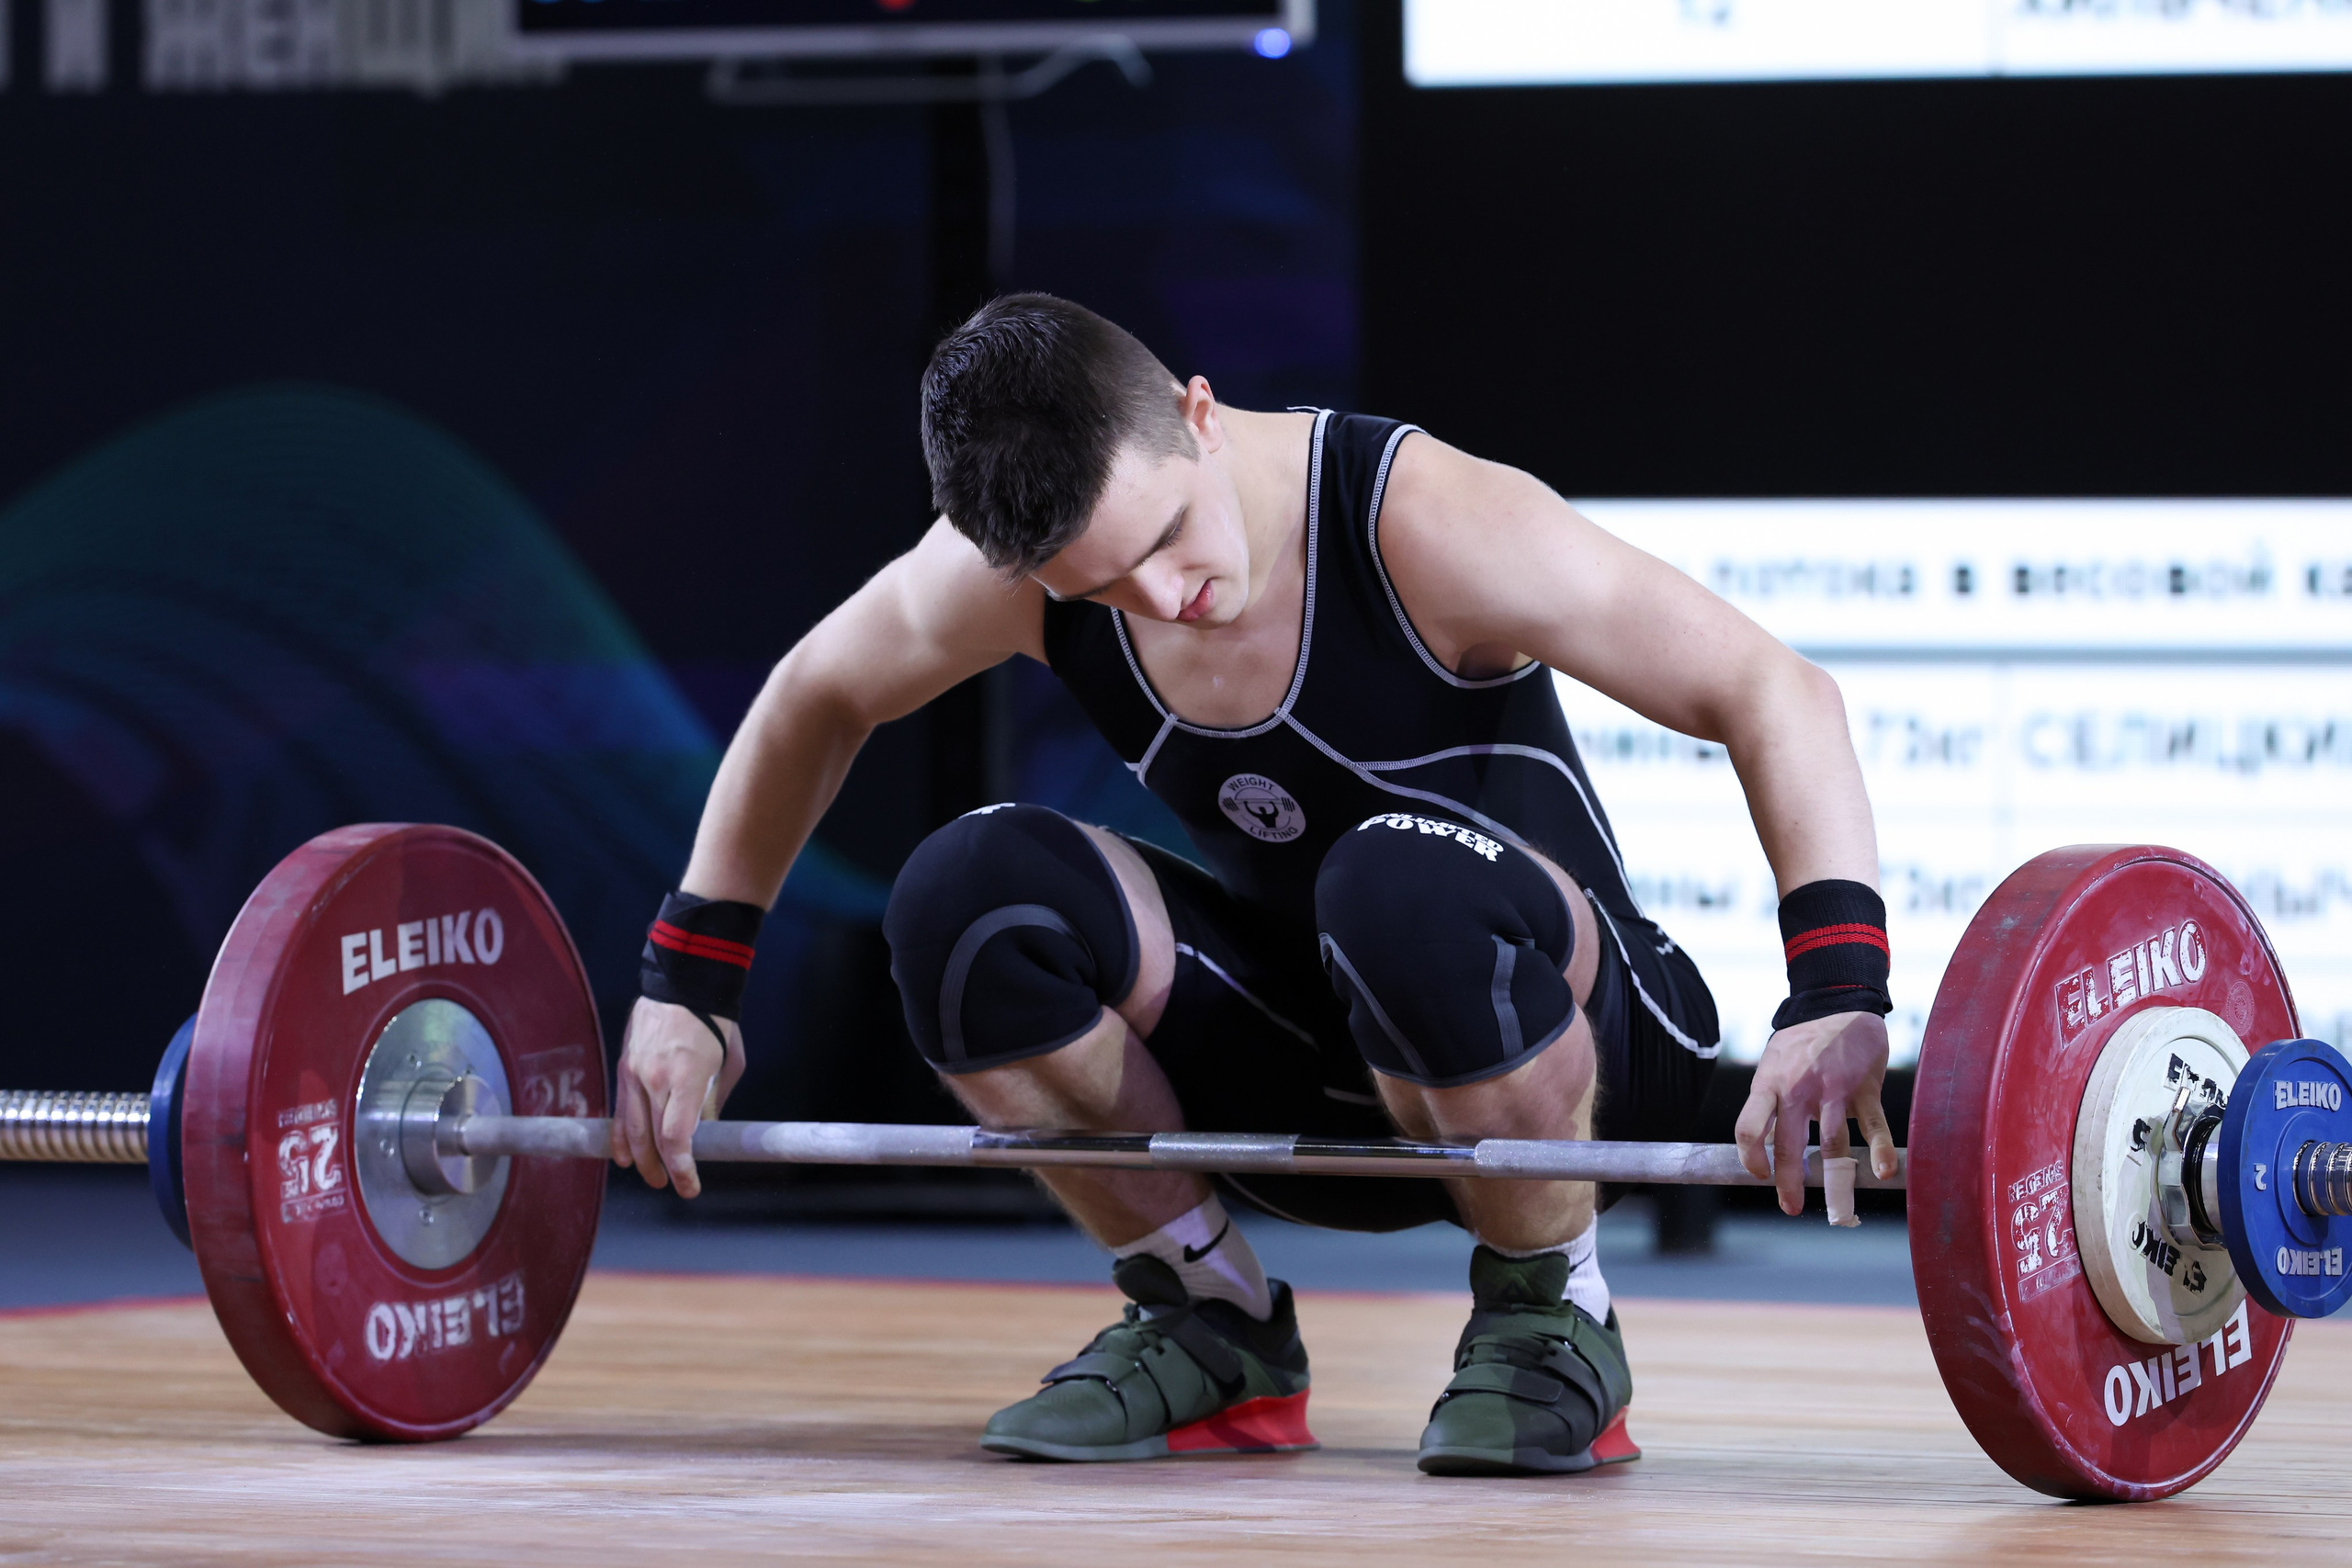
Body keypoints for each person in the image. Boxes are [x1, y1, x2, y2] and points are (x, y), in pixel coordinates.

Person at [614, 294, 1899, 1475]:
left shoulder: (1418, 516)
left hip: (1592, 1062)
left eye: (1166, 539)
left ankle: (1551, 1308)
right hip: (1329, 1072)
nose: (1163, 599)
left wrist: (1837, 993)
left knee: (1388, 879)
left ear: (1199, 414)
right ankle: (1208, 1317)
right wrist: (690, 985)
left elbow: (1774, 690)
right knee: (964, 898)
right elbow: (816, 693)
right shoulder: (1030, 573)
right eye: (1101, 587)